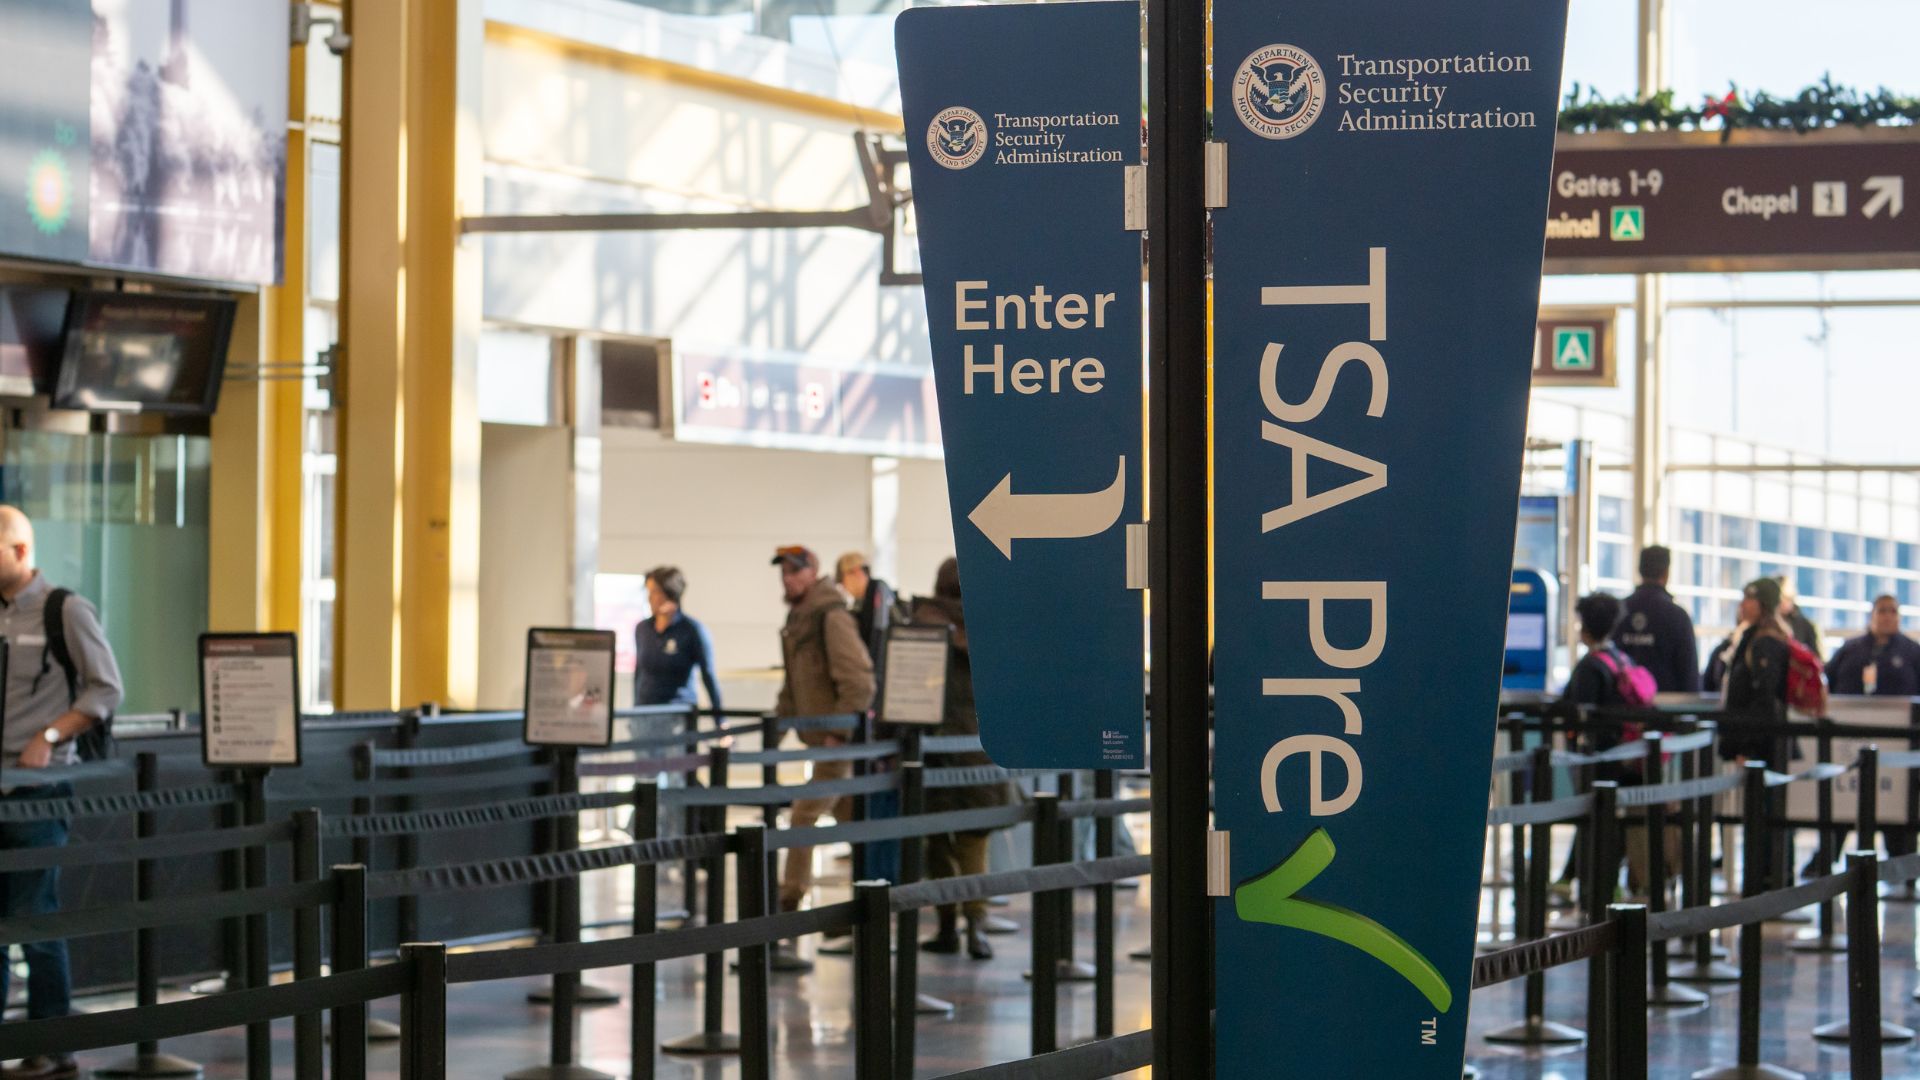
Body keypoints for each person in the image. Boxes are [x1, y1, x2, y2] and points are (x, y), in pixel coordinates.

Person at [0, 506, 123, 1080]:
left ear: (21, 552)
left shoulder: (64, 610)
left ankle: (53, 1047)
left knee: (34, 918)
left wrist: (49, 736)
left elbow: (106, 688)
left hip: (37, 792)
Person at [770, 545, 875, 971]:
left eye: (795, 571)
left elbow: (860, 679)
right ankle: (864, 910)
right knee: (853, 823)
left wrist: (838, 732)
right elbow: (793, 686)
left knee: (802, 818)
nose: (787, 578)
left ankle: (787, 908)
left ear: (812, 572)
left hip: (836, 745)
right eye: (783, 572)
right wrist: (773, 730)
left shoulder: (830, 615)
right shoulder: (800, 618)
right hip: (821, 740)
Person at [912, 558, 1015, 960]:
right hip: (979, 753)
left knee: (938, 844)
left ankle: (946, 926)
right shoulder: (991, 628)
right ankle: (976, 926)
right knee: (974, 846)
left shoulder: (922, 622)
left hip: (933, 751)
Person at [1719, 577, 1793, 764]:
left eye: (1749, 599)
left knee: (1759, 793)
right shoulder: (1752, 637)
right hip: (1753, 742)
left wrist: (1748, 748)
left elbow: (1765, 699)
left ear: (1764, 605)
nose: (1742, 604)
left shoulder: (1766, 643)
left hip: (1760, 751)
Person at [632, 566, 723, 713]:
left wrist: (720, 719)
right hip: (645, 713)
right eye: (648, 592)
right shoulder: (642, 629)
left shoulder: (693, 630)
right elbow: (639, 673)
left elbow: (708, 675)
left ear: (670, 593)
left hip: (678, 713)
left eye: (655, 592)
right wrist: (634, 711)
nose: (650, 598)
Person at [1613, 545, 1701, 693]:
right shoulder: (1677, 616)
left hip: (1621, 708)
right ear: (1666, 572)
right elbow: (1689, 673)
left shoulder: (1618, 611)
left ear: (1639, 570)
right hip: (1664, 708)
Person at [1828, 595, 1920, 698]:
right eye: (1882, 611)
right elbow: (1827, 681)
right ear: (1871, 616)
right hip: (1850, 711)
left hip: (1899, 712)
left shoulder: (1913, 651)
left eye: (1893, 612)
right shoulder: (1849, 649)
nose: (1888, 617)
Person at [1778, 576, 1823, 656]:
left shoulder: (1807, 626)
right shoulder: (1766, 624)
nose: (1783, 602)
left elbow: (1817, 659)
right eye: (1779, 599)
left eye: (1786, 598)